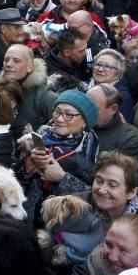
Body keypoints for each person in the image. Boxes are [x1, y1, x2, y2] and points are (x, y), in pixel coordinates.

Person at [20, 90, 101, 224]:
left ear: (85, 122)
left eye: (68, 115)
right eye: (57, 111)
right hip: (27, 218)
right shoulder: (40, 135)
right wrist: (29, 165)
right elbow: (17, 179)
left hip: (62, 223)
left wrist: (63, 178)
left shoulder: (89, 147)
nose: (59, 118)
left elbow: (95, 197)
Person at [77, 150, 138, 226]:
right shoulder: (72, 207)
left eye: (112, 185)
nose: (102, 190)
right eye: (99, 181)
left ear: (131, 192)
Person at [1, 44, 58, 130]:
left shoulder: (46, 97)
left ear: (30, 67)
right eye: (6, 60)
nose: (8, 64)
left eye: (16, 61)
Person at [87, 85, 138, 159]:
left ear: (113, 109)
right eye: (85, 105)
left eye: (93, 108)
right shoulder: (79, 123)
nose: (86, 111)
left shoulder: (128, 142)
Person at [90, 49, 135, 123]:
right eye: (98, 64)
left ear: (118, 73)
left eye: (107, 67)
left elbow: (122, 127)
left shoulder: (122, 96)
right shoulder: (82, 86)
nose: (100, 69)